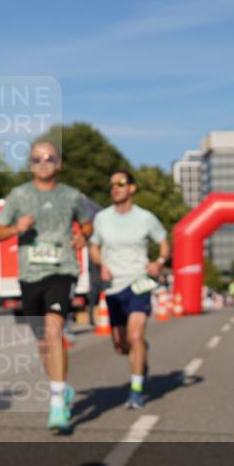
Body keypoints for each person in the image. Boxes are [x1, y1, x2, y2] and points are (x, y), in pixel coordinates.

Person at [0, 141, 93, 433]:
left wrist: (83, 234)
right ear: (30, 163)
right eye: (37, 158)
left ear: (59, 163)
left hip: (63, 269)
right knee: (43, 343)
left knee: (54, 330)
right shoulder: (18, 195)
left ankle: (58, 402)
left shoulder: (72, 196)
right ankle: (62, 387)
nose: (43, 162)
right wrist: (15, 228)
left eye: (49, 158)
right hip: (29, 274)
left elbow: (88, 222)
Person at [88, 170, 169, 409]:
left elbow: (164, 244)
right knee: (121, 345)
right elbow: (94, 247)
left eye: (121, 183)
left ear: (132, 188)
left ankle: (136, 391)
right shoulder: (102, 218)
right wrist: (100, 264)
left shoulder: (146, 218)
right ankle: (141, 354)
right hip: (113, 286)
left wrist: (159, 263)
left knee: (135, 335)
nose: (115, 188)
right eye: (112, 184)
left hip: (138, 282)